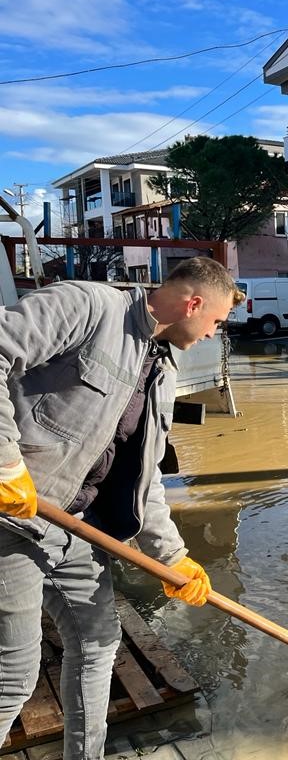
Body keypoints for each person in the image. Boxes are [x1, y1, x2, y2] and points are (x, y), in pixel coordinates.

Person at [0, 257, 242, 760]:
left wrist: (171, 557)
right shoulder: (87, 306)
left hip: (77, 527)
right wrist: (4, 465)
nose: (213, 335)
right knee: (14, 674)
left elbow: (144, 478)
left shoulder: (162, 372)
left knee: (98, 645)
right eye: (216, 323)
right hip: (14, 518)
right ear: (192, 304)